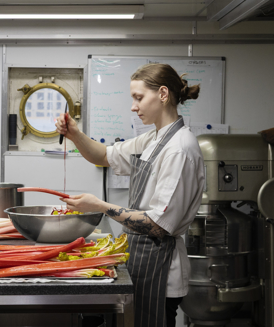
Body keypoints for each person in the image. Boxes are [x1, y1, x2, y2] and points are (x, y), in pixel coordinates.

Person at [55, 63, 205, 327]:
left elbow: (158, 225)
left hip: (161, 268)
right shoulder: (154, 139)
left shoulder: (179, 149)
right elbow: (102, 155)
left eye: (138, 98)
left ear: (162, 94)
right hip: (140, 257)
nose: (134, 107)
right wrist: (74, 134)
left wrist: (100, 206)